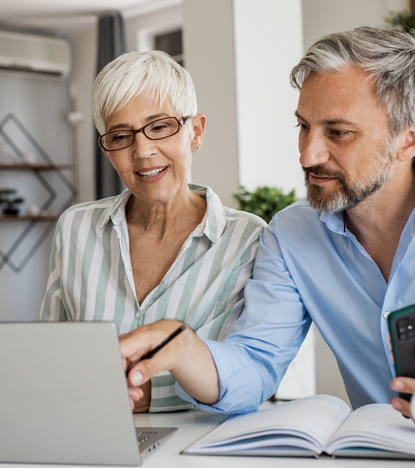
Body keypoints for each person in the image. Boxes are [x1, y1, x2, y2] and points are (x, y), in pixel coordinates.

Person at [120, 27, 415, 434]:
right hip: (376, 462)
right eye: (303, 126)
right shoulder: (291, 234)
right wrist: (182, 346)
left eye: (338, 133)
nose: (308, 155)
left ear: (410, 138)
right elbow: (255, 364)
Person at [40, 51, 266, 412]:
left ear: (196, 132)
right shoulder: (76, 228)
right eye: (121, 135)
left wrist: (146, 393)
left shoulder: (248, 241)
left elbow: (250, 374)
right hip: (92, 436)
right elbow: (51, 354)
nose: (142, 151)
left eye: (159, 127)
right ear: (108, 150)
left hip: (199, 450)